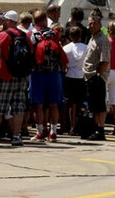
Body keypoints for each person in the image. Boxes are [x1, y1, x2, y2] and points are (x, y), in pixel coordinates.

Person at [0, 11, 30, 147]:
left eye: (5, 20)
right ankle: (16, 136)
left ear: (9, 21)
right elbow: (30, 57)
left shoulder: (2, 35)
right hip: (20, 77)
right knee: (18, 107)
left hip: (5, 76)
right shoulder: (25, 36)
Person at [28, 10, 67, 142]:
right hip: (54, 72)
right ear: (45, 19)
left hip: (38, 73)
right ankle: (53, 131)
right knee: (53, 104)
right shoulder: (54, 33)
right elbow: (60, 51)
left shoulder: (32, 34)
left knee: (38, 104)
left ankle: (40, 131)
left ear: (34, 21)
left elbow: (30, 52)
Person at [83, 14, 110, 140]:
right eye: (89, 23)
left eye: (93, 23)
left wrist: (97, 74)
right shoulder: (92, 38)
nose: (90, 25)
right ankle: (95, 128)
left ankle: (101, 129)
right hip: (89, 76)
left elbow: (105, 61)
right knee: (93, 105)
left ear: (99, 24)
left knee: (99, 105)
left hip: (96, 77)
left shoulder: (102, 40)